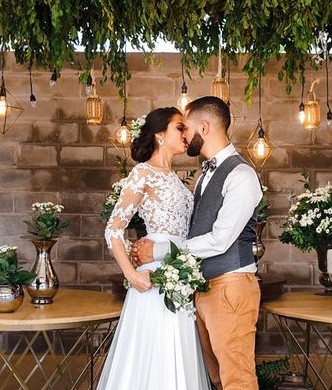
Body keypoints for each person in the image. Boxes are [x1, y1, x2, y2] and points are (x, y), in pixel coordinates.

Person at [132, 96, 263, 390]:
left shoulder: (241, 175)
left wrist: (159, 249)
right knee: (215, 378)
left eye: (185, 128)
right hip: (204, 289)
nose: (183, 135)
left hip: (230, 287)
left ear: (203, 127)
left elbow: (219, 240)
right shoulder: (205, 174)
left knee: (237, 378)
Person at [97, 107, 210, 390]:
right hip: (155, 280)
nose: (187, 134)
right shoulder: (143, 173)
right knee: (153, 360)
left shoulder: (175, 177)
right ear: (160, 134)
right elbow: (113, 229)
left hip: (180, 278)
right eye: (180, 128)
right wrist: (132, 275)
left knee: (178, 356)